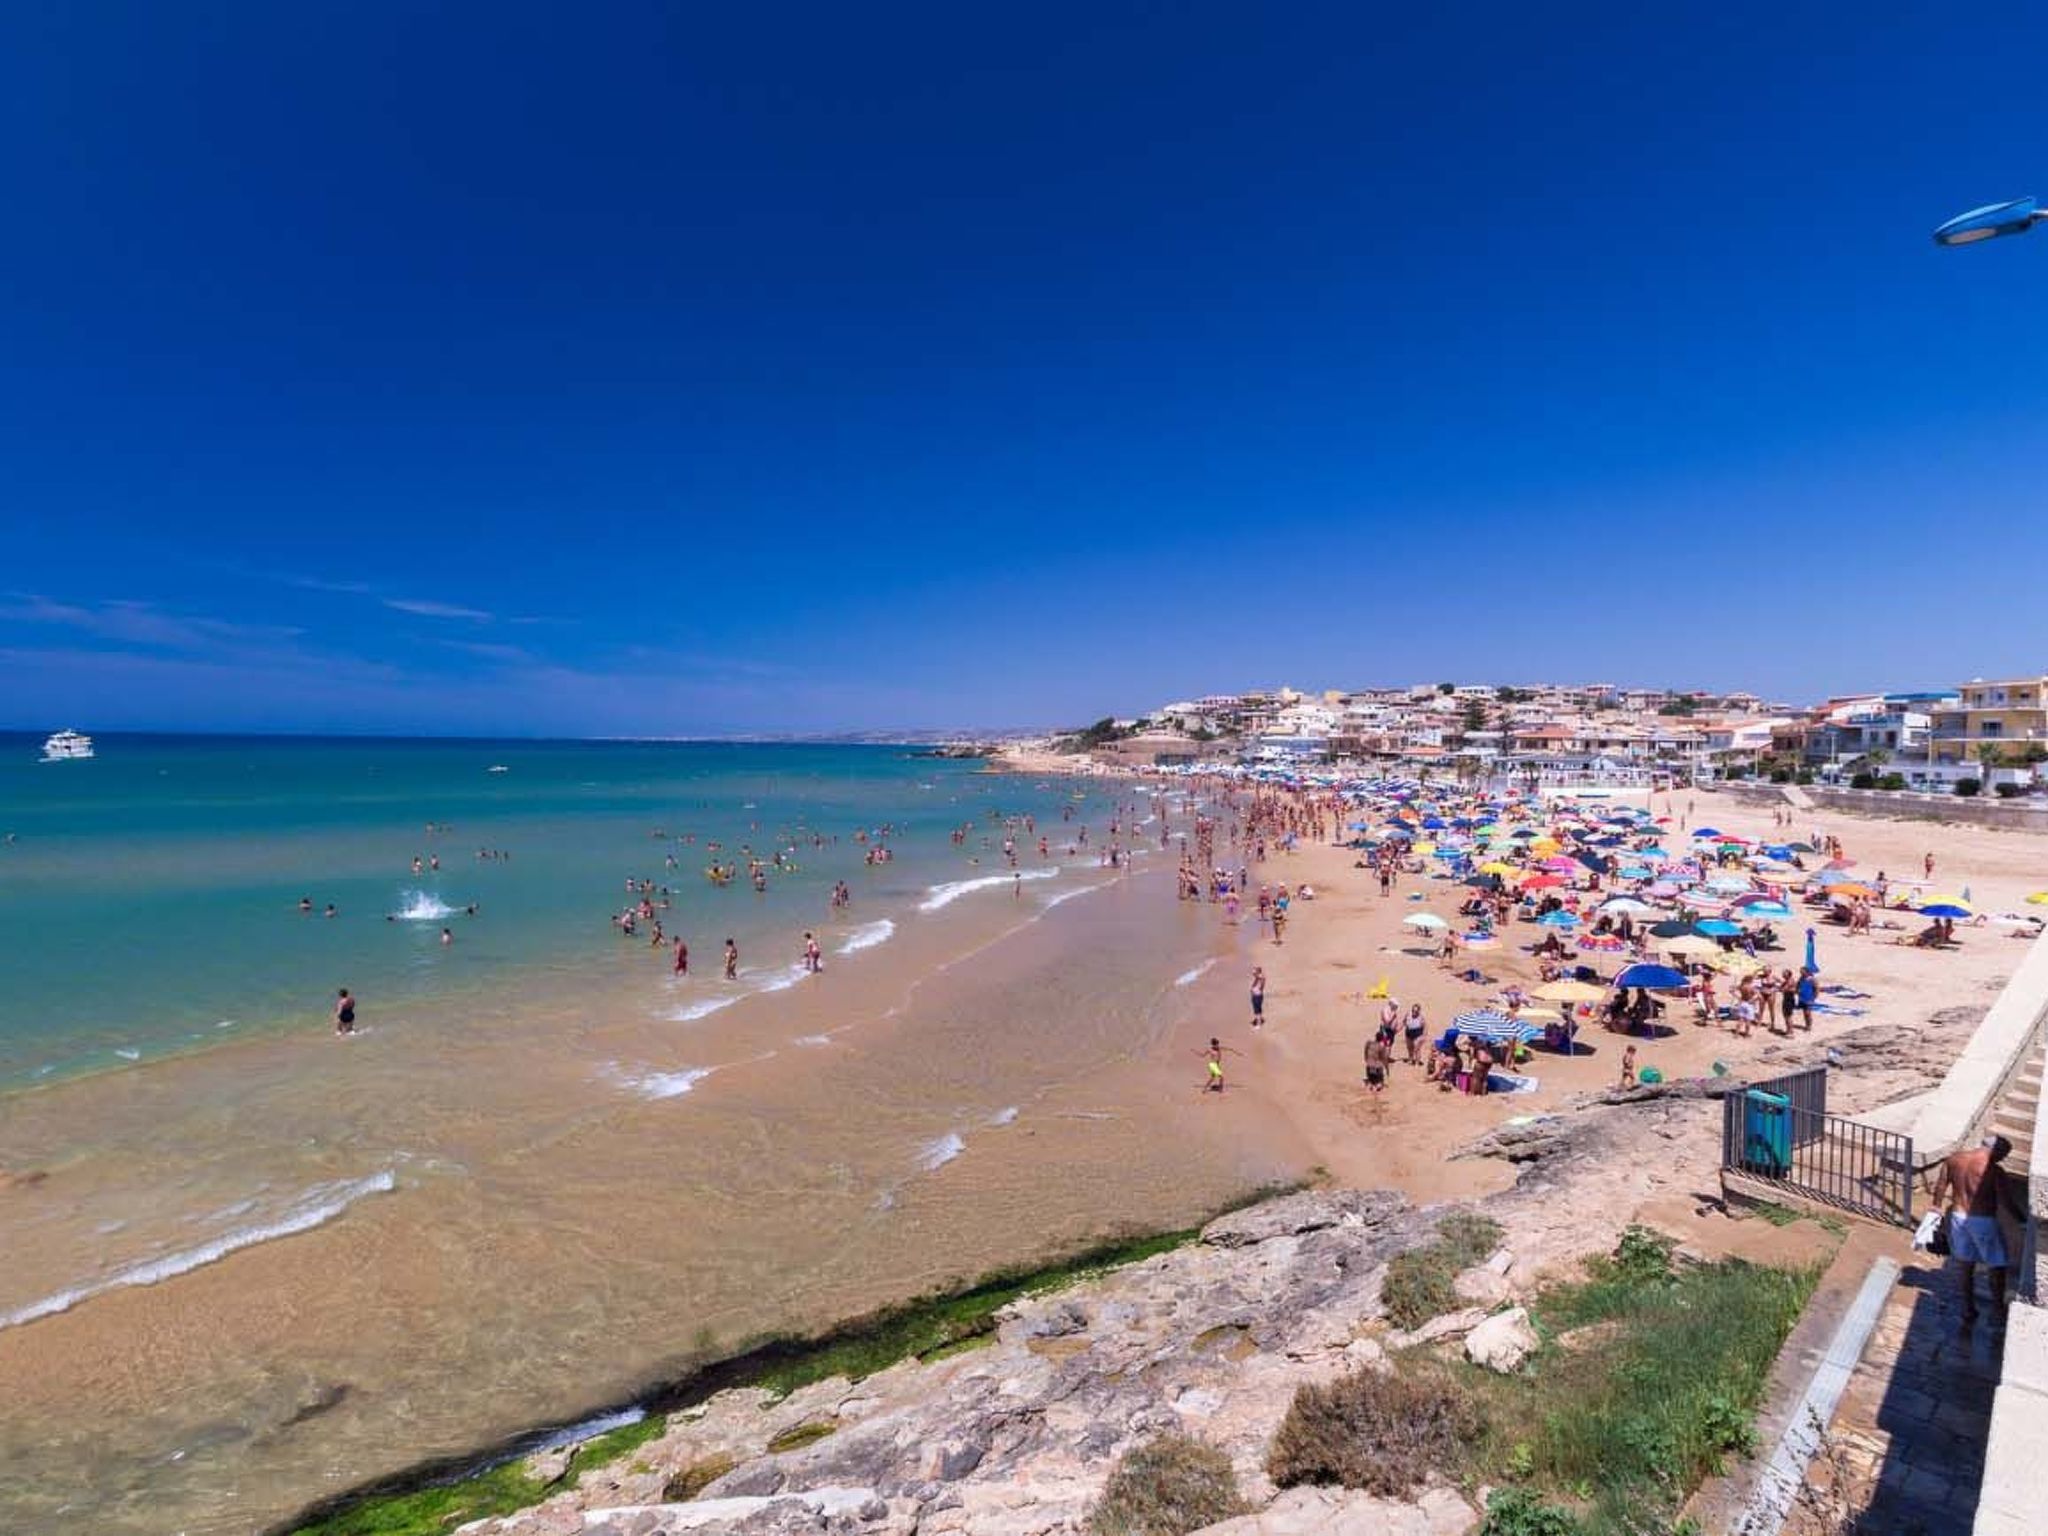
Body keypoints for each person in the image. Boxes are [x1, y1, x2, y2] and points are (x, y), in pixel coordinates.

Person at [1934, 1136, 2022, 1326]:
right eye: (2003, 1155)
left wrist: (1935, 1208)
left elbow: (1941, 1184)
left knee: (1966, 1264)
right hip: (1982, 1220)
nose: (2001, 1160)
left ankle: (1968, 1308)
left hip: (1958, 1216)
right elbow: (2005, 1201)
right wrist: (2023, 1220)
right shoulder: (1994, 1171)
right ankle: (1997, 1311)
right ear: (1996, 1150)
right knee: (1997, 1266)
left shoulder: (1954, 1159)